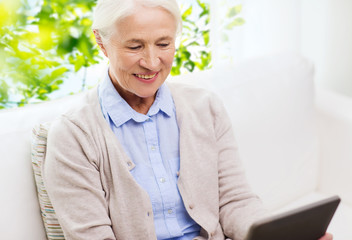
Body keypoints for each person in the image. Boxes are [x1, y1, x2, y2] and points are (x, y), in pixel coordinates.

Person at [42, 0, 334, 239]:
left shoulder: (204, 107)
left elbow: (235, 202)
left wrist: (276, 236)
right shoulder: (73, 134)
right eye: (135, 46)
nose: (152, 61)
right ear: (101, 43)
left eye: (163, 43)